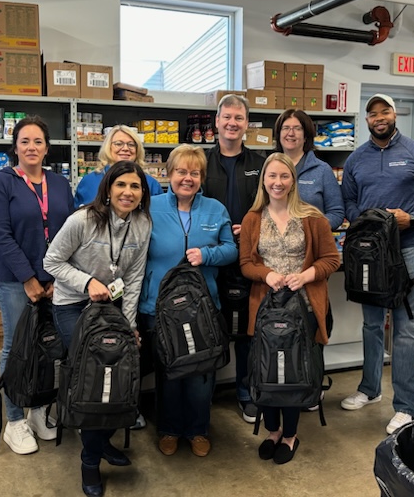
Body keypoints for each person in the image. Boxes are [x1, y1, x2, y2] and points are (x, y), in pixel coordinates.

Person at [340, 94, 414, 435]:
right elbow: (348, 203)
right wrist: (369, 221)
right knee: (372, 325)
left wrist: (413, 218)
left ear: (394, 113)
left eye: (384, 110)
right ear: (367, 119)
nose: (379, 117)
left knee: (406, 330)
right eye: (372, 113)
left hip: (407, 252)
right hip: (369, 255)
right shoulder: (356, 159)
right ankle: (370, 389)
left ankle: (405, 407)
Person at [43, 160, 152, 497]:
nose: (128, 192)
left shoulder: (142, 224)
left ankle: (101, 441)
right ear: (108, 189)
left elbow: (133, 279)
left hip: (111, 306)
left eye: (135, 187)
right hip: (72, 306)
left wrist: (131, 327)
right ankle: (89, 462)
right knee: (93, 375)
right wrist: (87, 281)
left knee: (120, 373)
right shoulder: (83, 220)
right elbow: (51, 261)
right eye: (121, 185)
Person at [239, 153, 340, 464]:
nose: (278, 182)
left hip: (305, 308)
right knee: (268, 370)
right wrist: (267, 275)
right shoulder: (252, 218)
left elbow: (331, 258)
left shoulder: (312, 217)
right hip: (267, 310)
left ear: (293, 181)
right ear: (264, 181)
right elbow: (246, 264)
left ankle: (291, 434)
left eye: (284, 176)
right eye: (272, 176)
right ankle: (272, 430)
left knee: (295, 372)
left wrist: (306, 275)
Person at [0, 115, 75, 455]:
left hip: (56, 280)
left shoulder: (61, 184)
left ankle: (38, 411)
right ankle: (14, 420)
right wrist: (28, 278)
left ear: (47, 148)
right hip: (14, 280)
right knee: (16, 346)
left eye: (38, 141)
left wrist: (54, 277)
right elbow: (2, 236)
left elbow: (70, 232)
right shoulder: (1, 183)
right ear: (15, 148)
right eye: (25, 141)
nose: (32, 147)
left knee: (48, 346)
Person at [139, 145, 236, 457]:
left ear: (201, 177)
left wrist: (206, 254)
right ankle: (169, 429)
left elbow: (231, 249)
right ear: (169, 174)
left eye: (194, 173)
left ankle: (197, 429)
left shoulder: (215, 209)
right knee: (167, 371)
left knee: (200, 373)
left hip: (203, 309)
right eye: (181, 171)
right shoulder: (150, 207)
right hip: (159, 308)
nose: (187, 178)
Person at [201, 93, 265, 424]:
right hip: (210, 259)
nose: (232, 123)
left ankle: (245, 392)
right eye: (227, 117)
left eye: (239, 118)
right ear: (216, 122)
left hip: (248, 258)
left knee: (246, 330)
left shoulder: (260, 163)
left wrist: (252, 226)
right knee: (208, 326)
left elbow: (272, 206)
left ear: (246, 124)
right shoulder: (201, 162)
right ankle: (205, 391)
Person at [274, 108, 344, 230]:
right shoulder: (270, 169)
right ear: (279, 134)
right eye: (285, 128)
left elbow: (336, 213)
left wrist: (313, 229)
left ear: (306, 136)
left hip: (313, 244)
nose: (291, 133)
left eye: (297, 128)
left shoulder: (322, 170)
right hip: (276, 244)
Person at [74, 124, 162, 208]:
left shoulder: (151, 184)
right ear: (108, 147)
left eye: (131, 144)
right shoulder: (89, 181)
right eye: (119, 144)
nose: (125, 148)